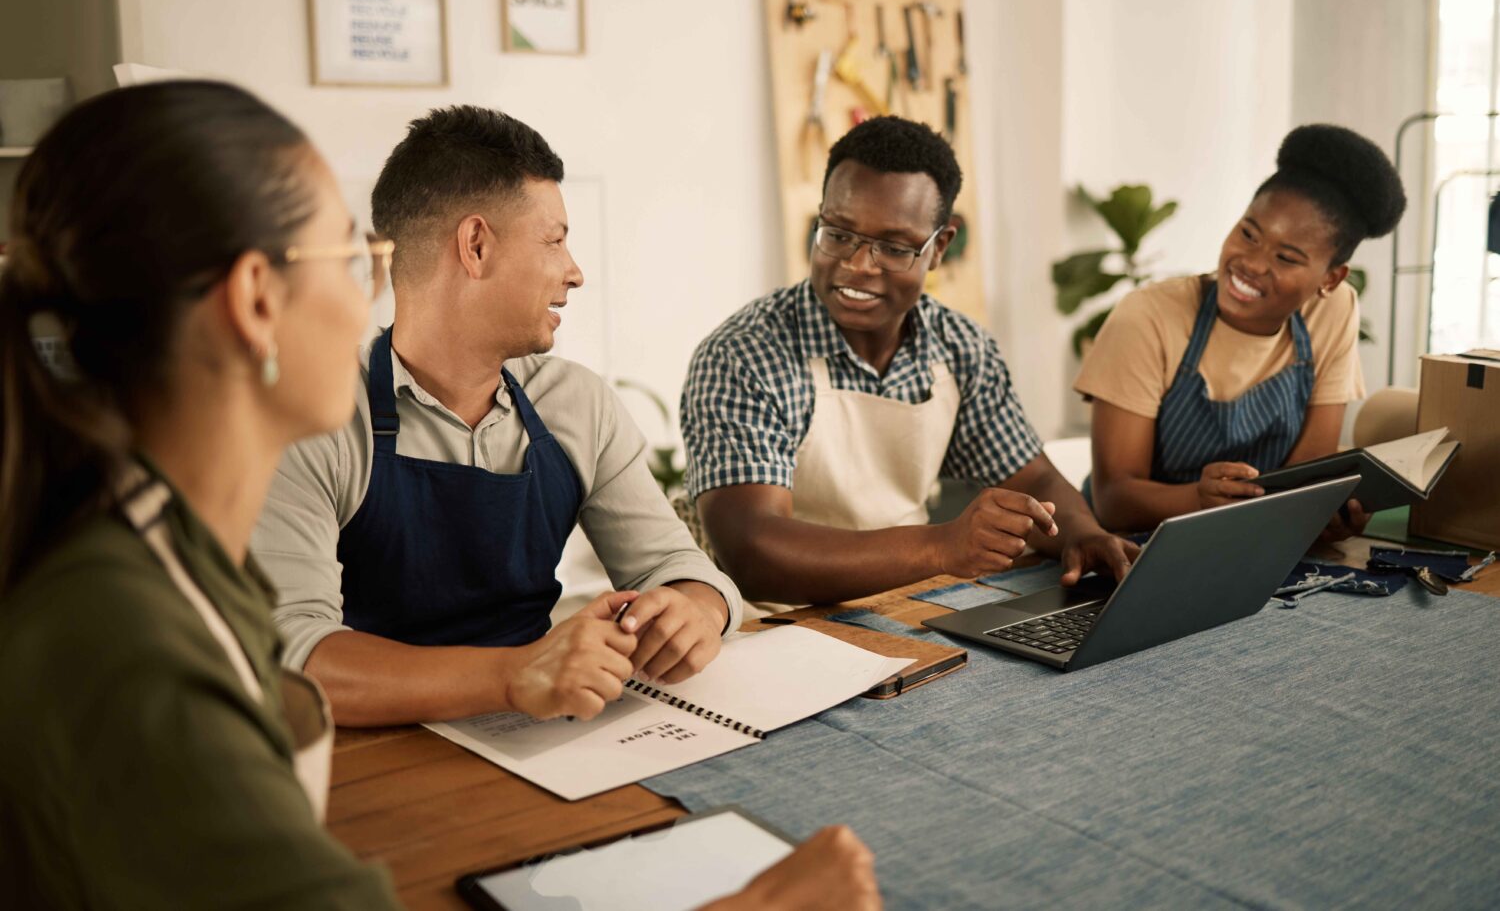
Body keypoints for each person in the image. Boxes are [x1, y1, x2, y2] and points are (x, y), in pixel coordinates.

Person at [0, 81, 878, 911]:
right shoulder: (128, 646)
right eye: (349, 258)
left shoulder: (167, 555)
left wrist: (688, 605)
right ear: (255, 303)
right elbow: (291, 668)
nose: (370, 296)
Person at [250, 106, 743, 728]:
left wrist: (695, 610)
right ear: (476, 245)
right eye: (555, 240)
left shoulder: (577, 403)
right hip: (371, 753)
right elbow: (292, 654)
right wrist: (513, 676)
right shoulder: (312, 415)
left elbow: (677, 568)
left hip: (544, 739)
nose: (575, 272)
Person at [680, 116, 1136, 606]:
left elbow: (1035, 480)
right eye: (838, 234)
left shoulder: (960, 348)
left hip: (907, 607)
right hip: (772, 624)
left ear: (939, 247)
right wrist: (941, 548)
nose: (857, 264)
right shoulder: (744, 355)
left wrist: (1080, 534)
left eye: (894, 248)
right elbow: (754, 553)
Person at [1075, 124, 1406, 536]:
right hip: (1134, 547)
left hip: (1255, 537)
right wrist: (1198, 499)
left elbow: (1305, 476)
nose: (1251, 263)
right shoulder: (1149, 317)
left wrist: (1323, 512)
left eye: (1286, 257)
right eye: (1249, 234)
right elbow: (1113, 502)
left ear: (1331, 279)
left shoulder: (1332, 312)